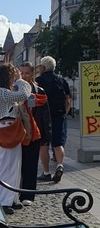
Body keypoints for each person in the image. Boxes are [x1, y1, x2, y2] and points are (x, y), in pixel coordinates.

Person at [0, 62, 31, 214]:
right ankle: (3, 201)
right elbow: (23, 94)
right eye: (13, 74)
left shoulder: (1, 91)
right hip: (6, 128)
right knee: (7, 166)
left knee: (15, 166)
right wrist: (21, 81)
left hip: (10, 128)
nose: (14, 77)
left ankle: (12, 198)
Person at [18, 62, 50, 206]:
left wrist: (46, 134)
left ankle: (28, 194)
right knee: (19, 164)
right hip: (19, 131)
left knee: (31, 163)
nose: (24, 76)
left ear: (33, 74)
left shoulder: (39, 91)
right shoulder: (15, 90)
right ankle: (16, 192)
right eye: (22, 73)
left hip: (34, 131)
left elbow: (45, 114)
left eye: (27, 73)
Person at [36, 55, 71, 183]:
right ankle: (60, 165)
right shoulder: (62, 80)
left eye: (40, 66)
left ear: (43, 67)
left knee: (44, 144)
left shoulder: (39, 81)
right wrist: (64, 114)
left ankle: (46, 173)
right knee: (58, 143)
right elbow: (68, 100)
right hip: (59, 115)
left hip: (44, 116)